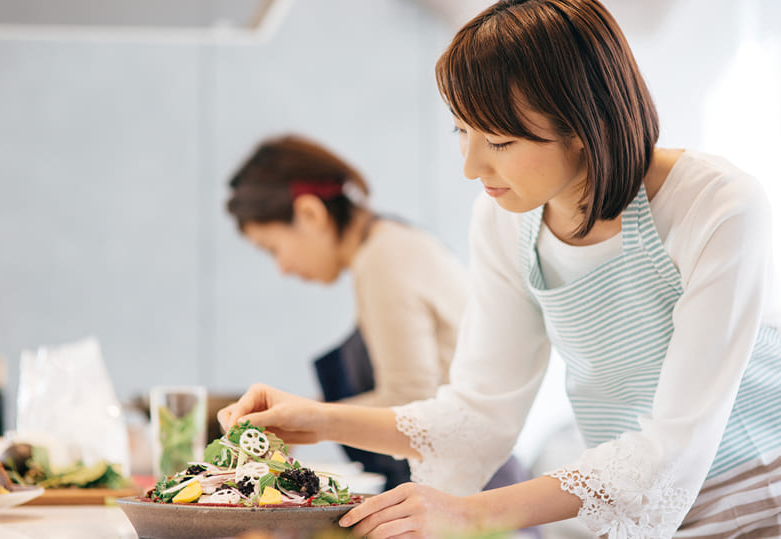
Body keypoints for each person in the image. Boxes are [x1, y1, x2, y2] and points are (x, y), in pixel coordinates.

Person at [219, 1, 781, 537]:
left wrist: (465, 514)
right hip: (658, 505)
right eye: (461, 131)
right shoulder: (505, 219)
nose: (470, 166)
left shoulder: (717, 205)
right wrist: (319, 421)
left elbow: (674, 445)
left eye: (500, 140)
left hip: (764, 488)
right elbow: (479, 412)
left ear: (587, 125)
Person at [226, 134, 528, 492]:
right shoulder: (385, 247)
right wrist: (297, 415)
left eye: (273, 248)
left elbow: (410, 399)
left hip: (473, 493)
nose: (282, 268)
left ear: (309, 213)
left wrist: (308, 415)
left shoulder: (385, 257)